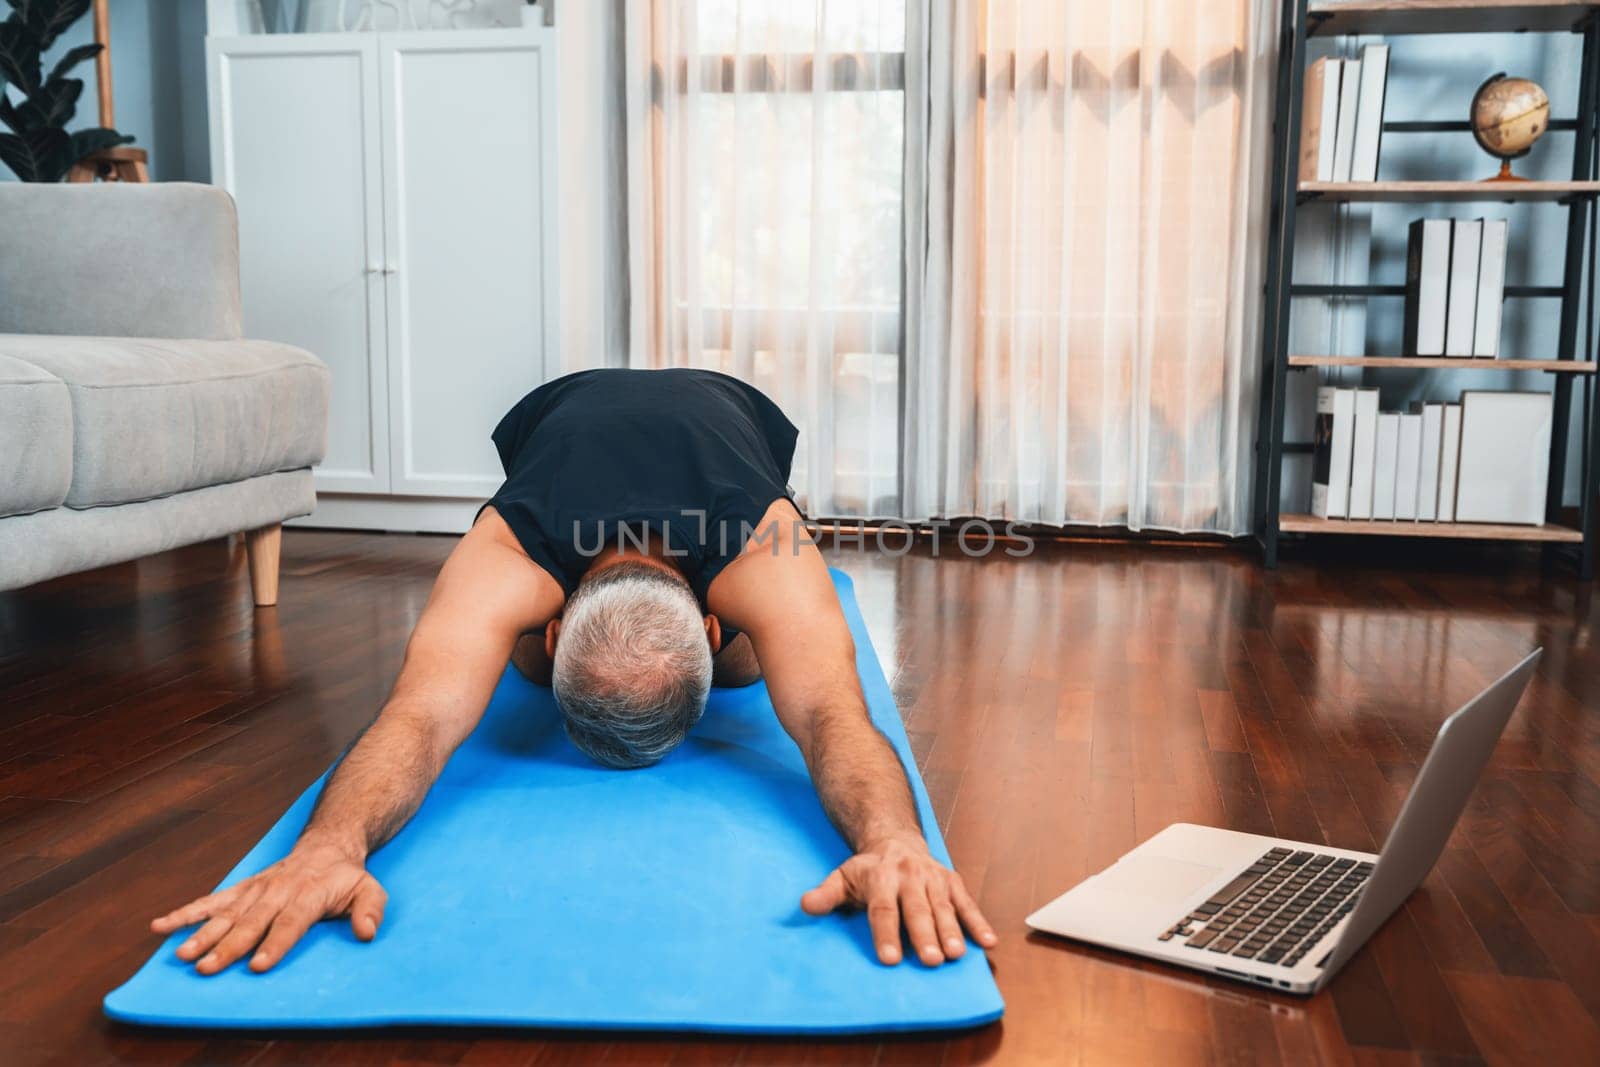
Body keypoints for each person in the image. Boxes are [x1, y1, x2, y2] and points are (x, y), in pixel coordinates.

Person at [151, 368, 996, 976]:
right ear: (554, 629)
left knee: (746, 674)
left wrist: (897, 843)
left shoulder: (766, 543)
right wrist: (324, 851)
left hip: (727, 408)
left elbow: (831, 718)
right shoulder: (508, 549)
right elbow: (419, 715)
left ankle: (725, 658)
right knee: (714, 669)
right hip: (565, 407)